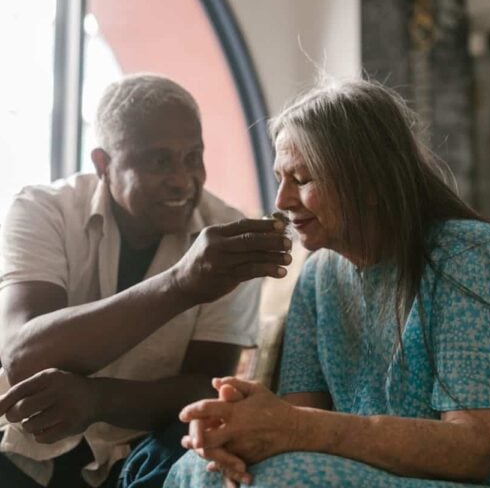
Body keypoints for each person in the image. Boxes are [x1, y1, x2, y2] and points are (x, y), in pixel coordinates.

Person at [165, 79, 490, 487]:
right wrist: (245, 427)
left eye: (301, 179)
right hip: (360, 471)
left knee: (279, 480)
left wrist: (294, 427)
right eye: (279, 178)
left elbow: (476, 449)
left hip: (468, 480)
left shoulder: (466, 254)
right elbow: (296, 418)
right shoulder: (318, 274)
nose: (281, 201)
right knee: (195, 469)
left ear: (370, 183)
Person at [0, 73, 292, 488]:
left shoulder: (227, 236)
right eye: (159, 161)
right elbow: (24, 356)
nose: (182, 179)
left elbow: (206, 388)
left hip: (144, 452)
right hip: (26, 441)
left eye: (193, 157)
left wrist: (97, 400)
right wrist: (180, 284)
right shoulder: (44, 210)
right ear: (103, 164)